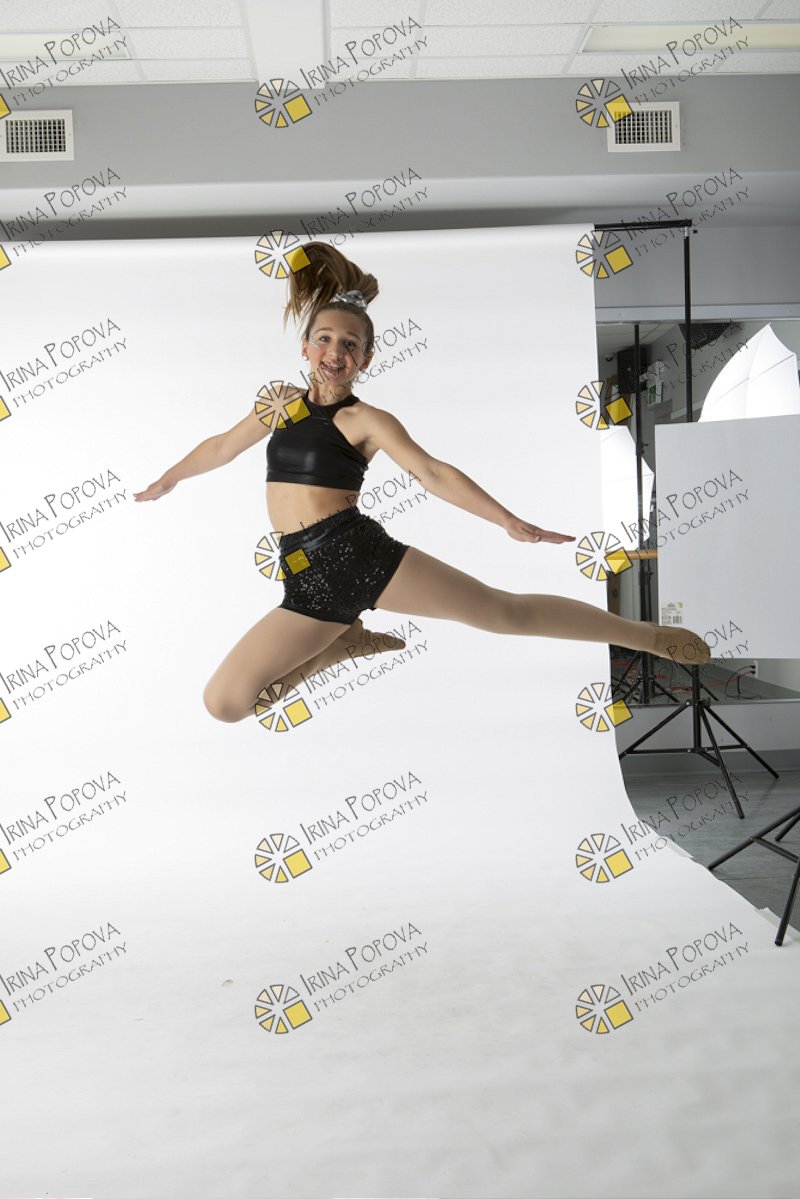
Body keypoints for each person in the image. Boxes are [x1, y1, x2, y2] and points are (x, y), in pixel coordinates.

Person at [134, 241, 711, 725]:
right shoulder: (278, 405)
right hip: (304, 576)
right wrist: (168, 479)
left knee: (503, 613)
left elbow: (432, 472)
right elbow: (221, 447)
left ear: (365, 359)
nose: (335, 351)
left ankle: (647, 637)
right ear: (305, 346)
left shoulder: (366, 420)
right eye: (325, 338)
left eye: (350, 345)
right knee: (227, 705)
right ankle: (342, 645)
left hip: (358, 554)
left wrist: (507, 521)